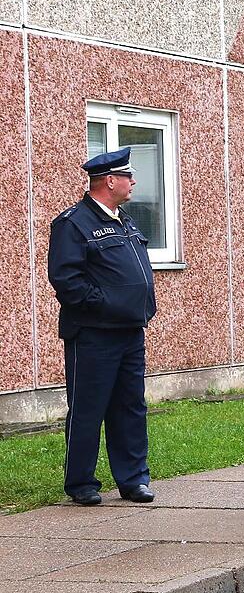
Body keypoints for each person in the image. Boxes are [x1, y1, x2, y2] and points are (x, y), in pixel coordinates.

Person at [47, 148, 157, 506]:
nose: (134, 181)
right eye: (128, 176)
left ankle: (134, 479)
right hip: (94, 333)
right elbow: (67, 280)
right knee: (88, 409)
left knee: (131, 406)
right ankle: (81, 483)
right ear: (110, 181)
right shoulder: (73, 223)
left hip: (130, 331)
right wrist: (106, 305)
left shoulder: (125, 221)